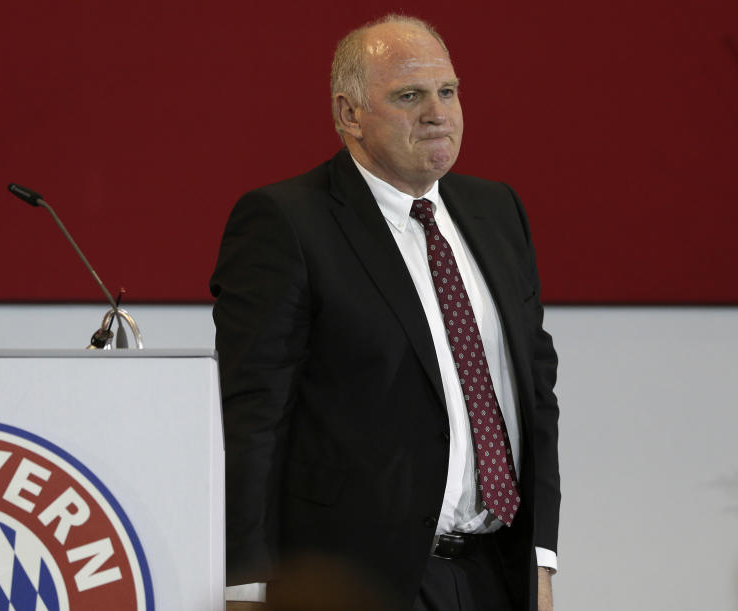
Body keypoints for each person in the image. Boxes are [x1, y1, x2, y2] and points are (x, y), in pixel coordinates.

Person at [211, 14, 559, 611]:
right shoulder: (287, 223)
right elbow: (252, 419)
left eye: (447, 91)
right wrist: (245, 583)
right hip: (354, 583)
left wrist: (540, 561)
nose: (437, 113)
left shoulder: (497, 210)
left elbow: (536, 397)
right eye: (409, 96)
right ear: (350, 114)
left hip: (496, 573)